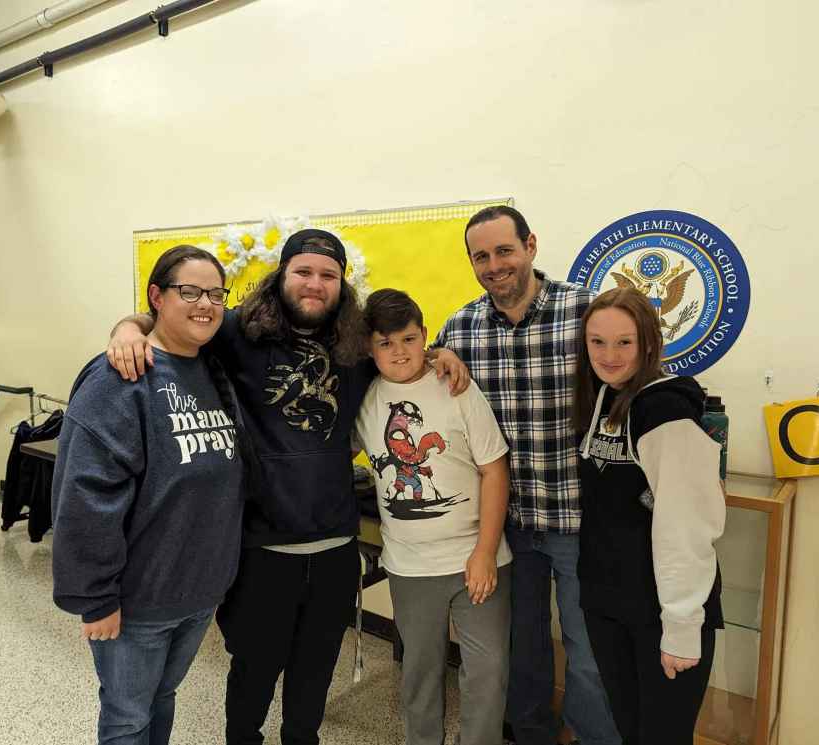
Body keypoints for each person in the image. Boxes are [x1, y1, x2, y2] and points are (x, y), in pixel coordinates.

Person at [105, 229, 468, 745]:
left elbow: (403, 350)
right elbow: (179, 319)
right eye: (304, 271)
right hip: (262, 549)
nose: (315, 283)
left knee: (315, 673)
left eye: (328, 275)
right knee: (253, 671)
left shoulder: (356, 343)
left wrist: (440, 355)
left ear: (341, 284)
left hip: (335, 547)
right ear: (282, 275)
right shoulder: (239, 331)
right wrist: (128, 327)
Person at [433, 205, 620, 745]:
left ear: (530, 246)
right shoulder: (460, 328)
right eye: (481, 257)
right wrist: (435, 354)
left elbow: (640, 378)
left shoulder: (585, 311)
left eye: (504, 251)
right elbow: (413, 373)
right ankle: (534, 735)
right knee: (522, 648)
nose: (494, 266)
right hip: (507, 527)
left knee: (590, 652)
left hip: (582, 521)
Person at [52, 245, 245, 745]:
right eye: (190, 291)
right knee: (127, 718)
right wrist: (95, 598)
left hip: (198, 592)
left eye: (215, 294)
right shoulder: (119, 378)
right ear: (157, 297)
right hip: (137, 602)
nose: (205, 304)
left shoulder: (213, 368)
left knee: (162, 698)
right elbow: (85, 498)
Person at [352, 288, 513, 745]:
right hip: (410, 566)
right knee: (419, 674)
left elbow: (494, 469)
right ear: (369, 347)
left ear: (425, 335)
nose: (399, 352)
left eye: (408, 339)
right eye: (385, 343)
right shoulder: (365, 399)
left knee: (488, 671)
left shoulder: (457, 387)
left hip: (476, 559)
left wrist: (485, 552)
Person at [573, 287, 725, 745]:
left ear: (648, 342)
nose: (609, 355)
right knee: (630, 731)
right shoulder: (603, 397)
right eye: (598, 342)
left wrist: (681, 625)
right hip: (608, 604)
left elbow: (686, 526)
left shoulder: (666, 411)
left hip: (661, 613)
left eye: (624, 342)